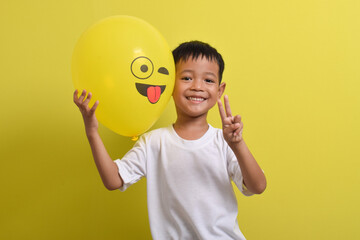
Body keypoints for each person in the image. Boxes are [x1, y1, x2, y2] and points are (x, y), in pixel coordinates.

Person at [73, 40, 266, 240]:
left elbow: (257, 186)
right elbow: (113, 180)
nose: (197, 87)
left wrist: (237, 145)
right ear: (169, 84)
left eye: (208, 80)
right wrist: (92, 132)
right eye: (187, 77)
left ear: (219, 90)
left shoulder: (224, 140)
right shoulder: (153, 143)